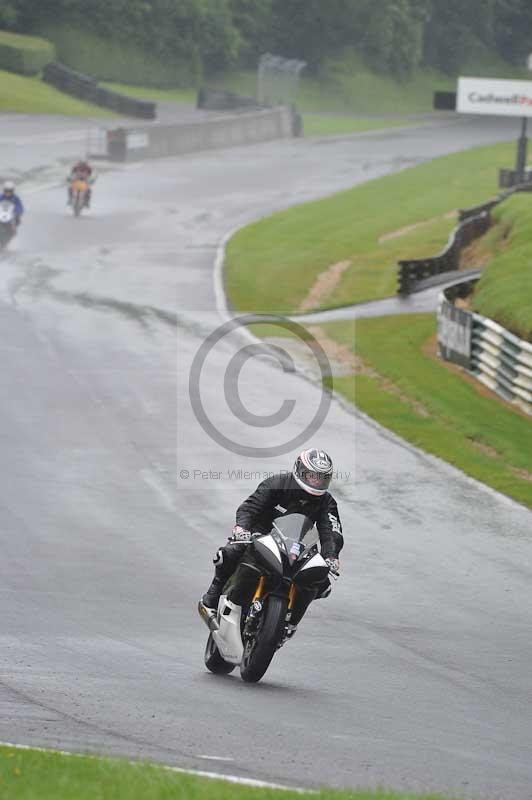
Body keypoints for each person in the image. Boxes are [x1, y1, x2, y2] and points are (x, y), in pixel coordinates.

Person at [200, 448, 344, 636]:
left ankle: (290, 623)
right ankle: (210, 600)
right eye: (312, 476)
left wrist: (331, 555)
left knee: (322, 582)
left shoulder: (327, 501)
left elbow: (331, 530)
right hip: (263, 534)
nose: (317, 482)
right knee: (228, 553)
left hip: (299, 545)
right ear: (300, 470)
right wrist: (242, 528)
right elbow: (251, 507)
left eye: (322, 478)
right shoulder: (277, 483)